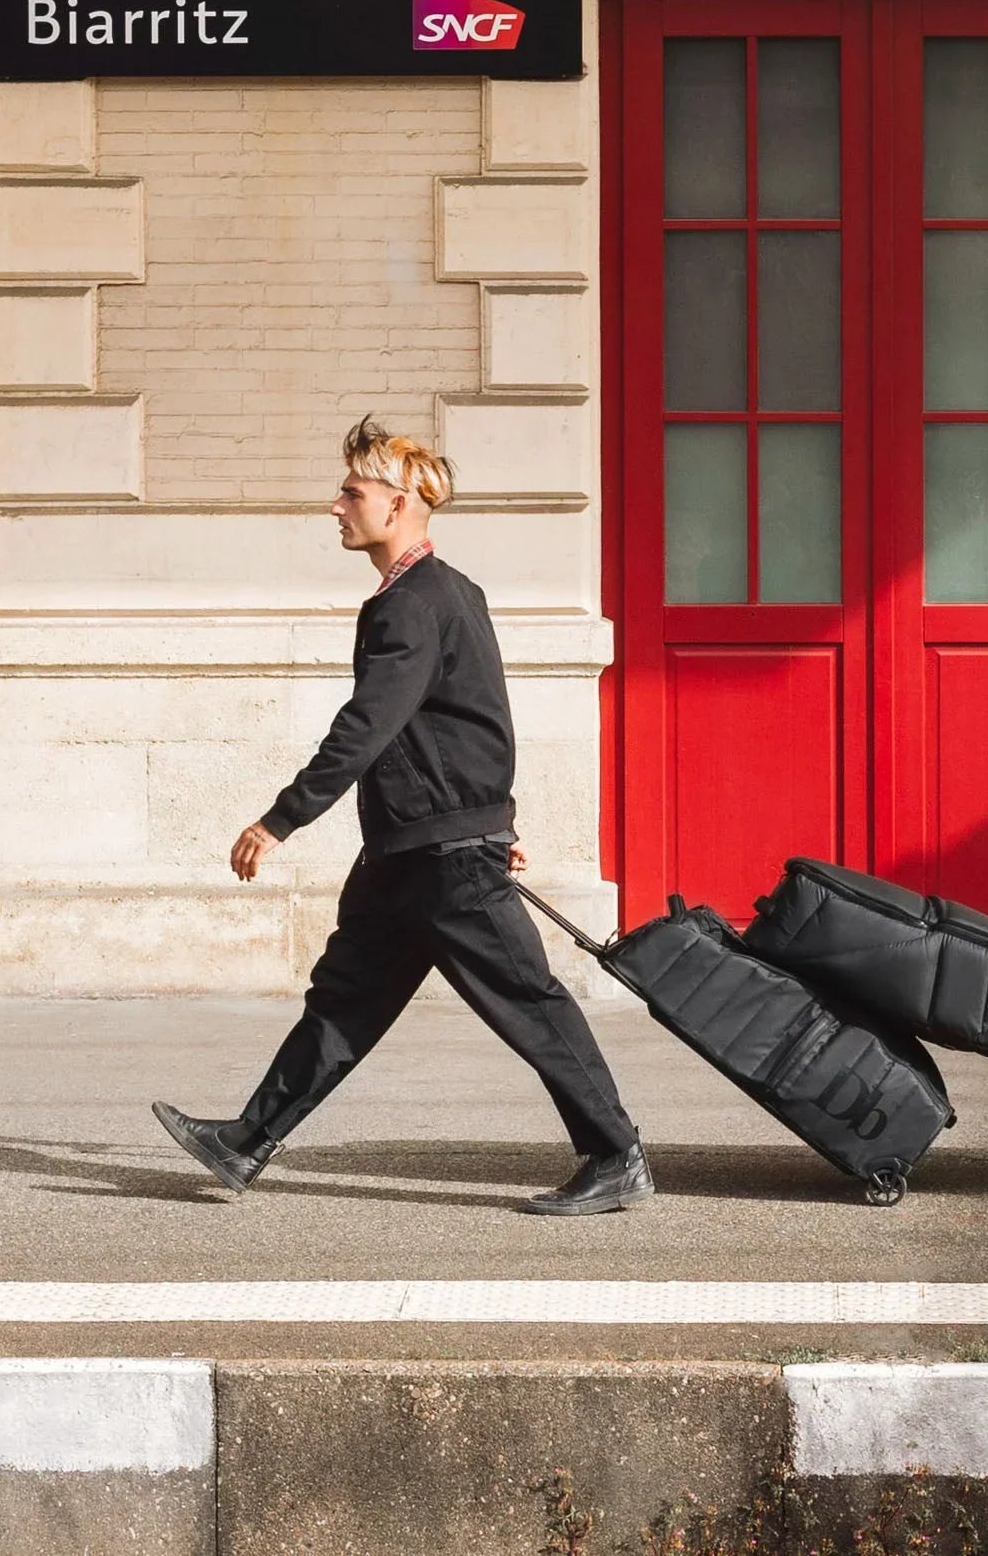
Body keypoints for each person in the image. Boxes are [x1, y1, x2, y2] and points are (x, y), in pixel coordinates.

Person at [151, 415, 653, 1217]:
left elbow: (369, 723)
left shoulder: (412, 605)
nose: (337, 505)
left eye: (352, 491)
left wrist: (280, 819)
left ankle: (614, 1154)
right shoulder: (445, 592)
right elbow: (475, 719)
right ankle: (247, 1142)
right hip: (409, 853)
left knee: (530, 1001)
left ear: (402, 500)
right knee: (345, 999)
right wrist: (497, 814)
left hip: (445, 856)